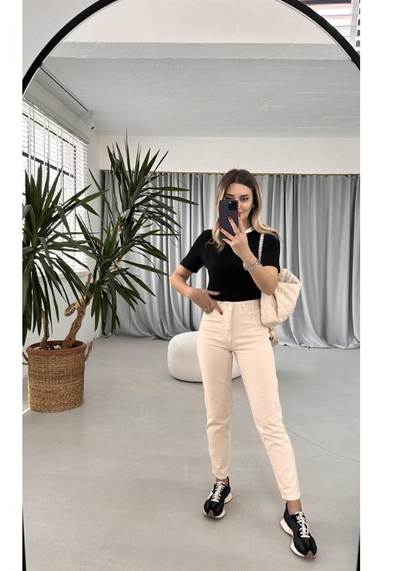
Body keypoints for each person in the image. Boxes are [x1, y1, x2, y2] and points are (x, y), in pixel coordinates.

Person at [170, 169, 317, 559]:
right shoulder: (207, 239)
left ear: (255, 201)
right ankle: (222, 482)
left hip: (253, 327)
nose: (238, 205)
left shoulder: (267, 239)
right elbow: (177, 276)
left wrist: (244, 252)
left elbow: (269, 285)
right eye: (231, 199)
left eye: (245, 198)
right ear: (222, 199)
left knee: (270, 420)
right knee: (216, 414)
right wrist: (193, 293)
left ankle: (294, 510)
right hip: (214, 326)